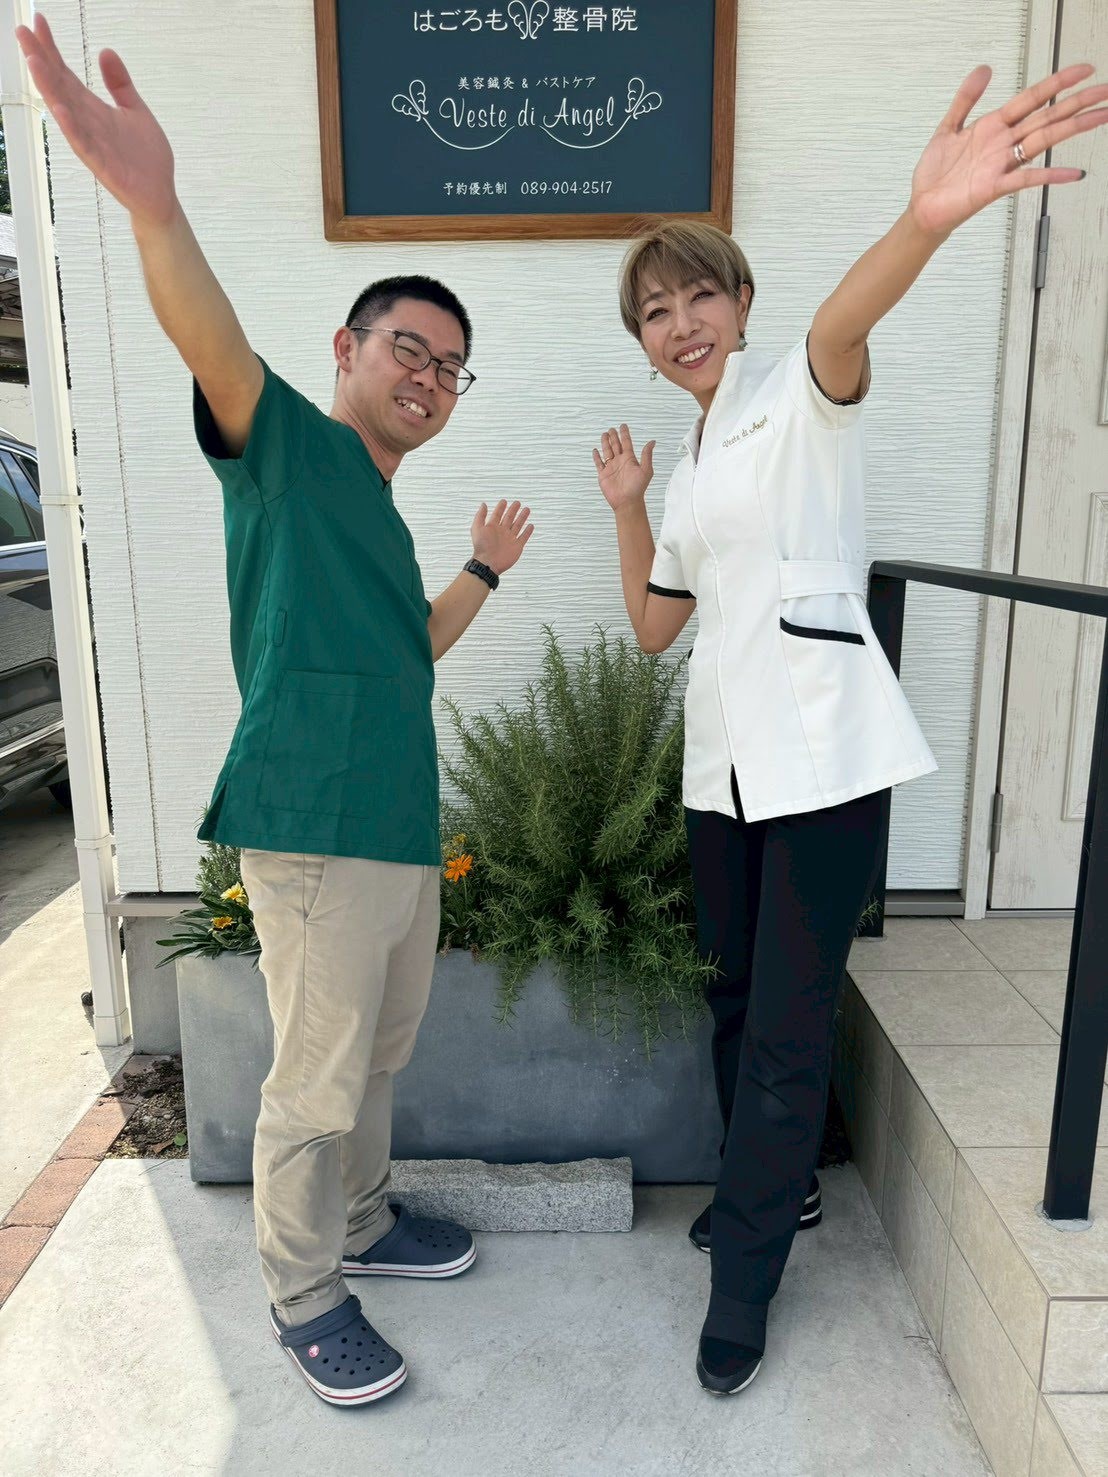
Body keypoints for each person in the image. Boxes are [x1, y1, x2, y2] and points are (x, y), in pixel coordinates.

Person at [17, 14, 534, 1407]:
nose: (429, 378)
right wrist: (154, 205)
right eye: (410, 349)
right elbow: (213, 341)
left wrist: (483, 571)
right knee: (315, 1076)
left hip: (396, 825)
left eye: (450, 367)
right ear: (348, 349)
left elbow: (411, 653)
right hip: (312, 821)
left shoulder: (374, 507)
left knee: (377, 1053)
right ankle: (306, 1296)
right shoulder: (292, 448)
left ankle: (362, 1220)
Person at [594, 62, 1107, 1396]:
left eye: (699, 295)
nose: (680, 323)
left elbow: (847, 315)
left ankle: (746, 1276)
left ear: (741, 300)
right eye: (655, 311)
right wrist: (630, 507)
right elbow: (654, 628)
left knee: (786, 1020)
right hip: (723, 769)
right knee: (730, 989)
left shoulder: (800, 392)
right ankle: (789, 1183)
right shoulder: (691, 464)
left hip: (824, 753)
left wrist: (927, 217)